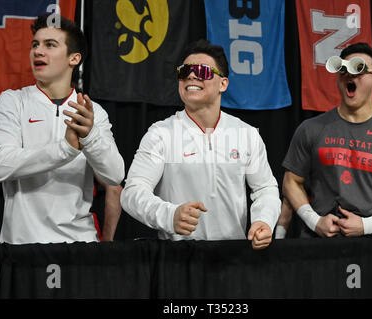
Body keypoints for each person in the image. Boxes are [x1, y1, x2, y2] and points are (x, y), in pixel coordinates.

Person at [120, 39, 281, 249]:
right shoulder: (161, 133)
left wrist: (263, 221)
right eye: (184, 71)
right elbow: (132, 192)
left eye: (202, 71)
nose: (191, 76)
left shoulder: (246, 134)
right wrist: (169, 215)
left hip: (233, 257)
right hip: (178, 259)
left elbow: (265, 188)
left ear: (223, 84)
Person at [0, 14, 124, 244]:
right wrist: (65, 148)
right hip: (21, 246)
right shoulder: (12, 101)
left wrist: (90, 137)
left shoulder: (93, 112)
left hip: (79, 246)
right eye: (35, 45)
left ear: (74, 58)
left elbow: (115, 175)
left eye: (50, 45)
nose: (38, 51)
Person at [282, 42, 372, 238]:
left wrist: (367, 225)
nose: (350, 74)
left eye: (359, 69)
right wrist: (314, 221)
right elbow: (291, 182)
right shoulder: (310, 129)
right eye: (344, 69)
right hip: (320, 245)